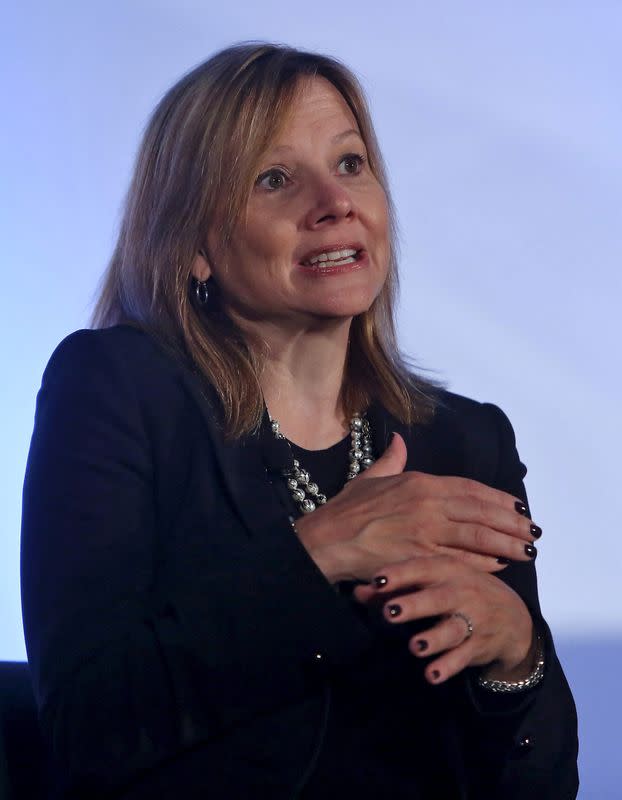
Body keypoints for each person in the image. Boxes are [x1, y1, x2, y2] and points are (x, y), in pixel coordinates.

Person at [21, 43, 578, 799]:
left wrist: (518, 661)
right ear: (195, 246)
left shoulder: (466, 440)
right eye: (275, 179)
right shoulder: (119, 389)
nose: (336, 201)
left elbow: (541, 784)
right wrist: (319, 556)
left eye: (350, 165)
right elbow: (91, 725)